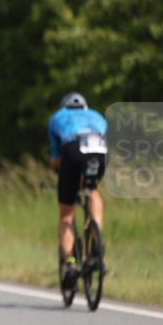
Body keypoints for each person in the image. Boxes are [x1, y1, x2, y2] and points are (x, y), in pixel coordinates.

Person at [48, 92, 108, 289]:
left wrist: (61, 174)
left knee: (66, 215)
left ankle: (71, 264)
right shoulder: (97, 115)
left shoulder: (57, 118)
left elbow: (58, 159)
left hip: (73, 149)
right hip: (99, 150)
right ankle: (97, 234)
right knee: (92, 189)